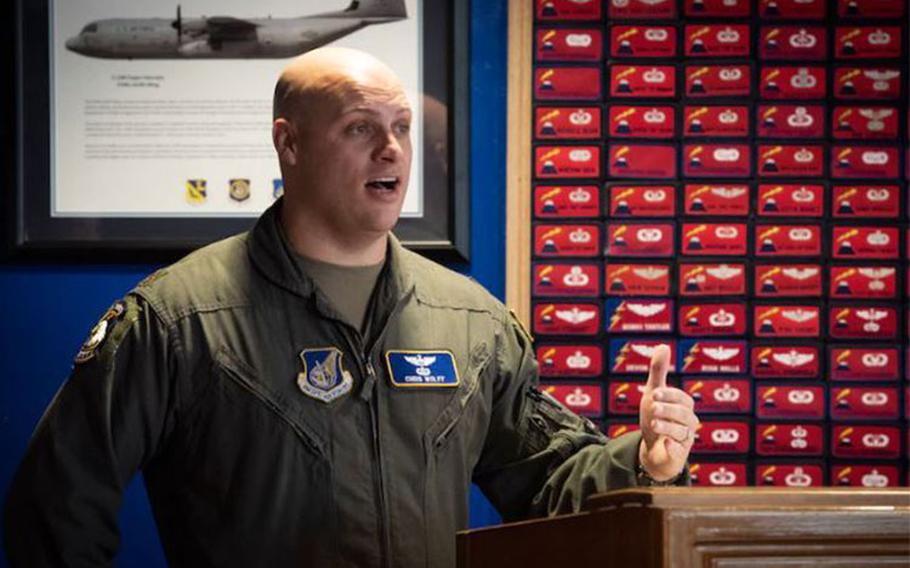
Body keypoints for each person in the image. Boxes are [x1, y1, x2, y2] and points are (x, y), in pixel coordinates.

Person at [4, 47, 699, 566]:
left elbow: (546, 484)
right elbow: (58, 502)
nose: (392, 147)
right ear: (290, 142)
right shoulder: (180, 317)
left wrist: (644, 462)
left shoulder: (473, 323)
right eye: (360, 128)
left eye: (400, 125)